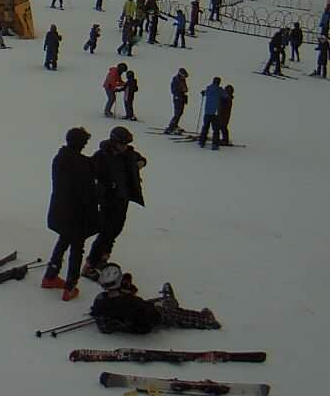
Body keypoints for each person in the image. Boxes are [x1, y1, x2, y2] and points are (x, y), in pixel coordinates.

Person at [43, 127, 99, 301]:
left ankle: (50, 276)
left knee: (63, 240)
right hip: (78, 213)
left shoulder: (60, 158)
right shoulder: (83, 165)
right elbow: (88, 192)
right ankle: (70, 286)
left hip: (60, 210)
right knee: (77, 248)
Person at [83, 127, 146, 279]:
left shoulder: (128, 154)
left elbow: (141, 158)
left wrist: (140, 163)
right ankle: (90, 264)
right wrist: (104, 188)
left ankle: (103, 258)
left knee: (116, 230)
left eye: (126, 144)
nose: (125, 147)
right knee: (106, 231)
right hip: (108, 200)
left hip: (122, 199)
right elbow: (90, 174)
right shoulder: (101, 156)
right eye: (122, 144)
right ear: (114, 142)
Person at [90, 264, 220, 333]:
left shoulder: (100, 299)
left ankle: (166, 302)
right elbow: (150, 315)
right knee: (172, 311)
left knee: (150, 303)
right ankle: (205, 320)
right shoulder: (132, 303)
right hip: (140, 324)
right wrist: (158, 311)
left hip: (125, 318)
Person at [198, 77, 228, 150]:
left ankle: (202, 141)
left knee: (205, 127)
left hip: (207, 112)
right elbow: (226, 96)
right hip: (215, 113)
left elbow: (204, 93)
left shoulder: (208, 88)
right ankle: (215, 144)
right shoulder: (219, 90)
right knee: (216, 129)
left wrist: (203, 92)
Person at [164, 68, 190, 134]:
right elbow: (173, 90)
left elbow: (185, 88)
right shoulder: (176, 80)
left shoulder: (182, 80)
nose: (184, 77)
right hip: (178, 98)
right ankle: (171, 127)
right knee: (177, 113)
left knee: (180, 112)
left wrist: (185, 90)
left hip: (181, 98)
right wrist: (180, 92)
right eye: (184, 76)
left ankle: (175, 125)